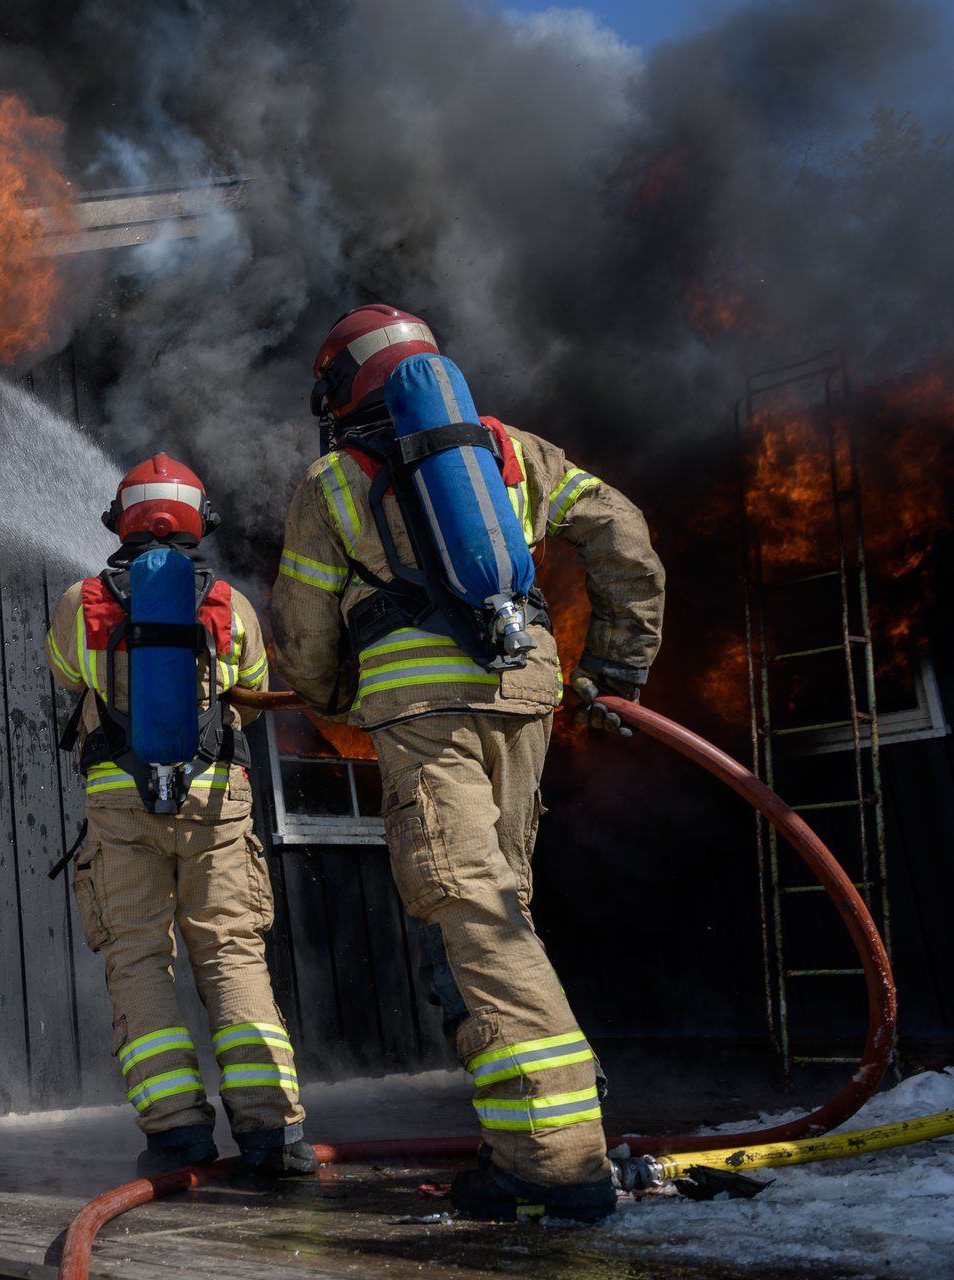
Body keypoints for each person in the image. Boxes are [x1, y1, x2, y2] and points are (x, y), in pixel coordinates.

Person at [270, 305, 666, 1221]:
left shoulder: (333, 483)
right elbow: (625, 537)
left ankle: (559, 1161)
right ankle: (521, 1137)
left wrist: (338, 705)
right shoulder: (512, 450)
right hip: (524, 700)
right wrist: (616, 666)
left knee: (472, 914)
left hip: (424, 721)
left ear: (341, 391)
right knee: (497, 908)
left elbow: (303, 634)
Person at [45, 452, 315, 1179]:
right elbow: (250, 695)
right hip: (216, 804)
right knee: (232, 956)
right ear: (201, 522)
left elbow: (67, 677)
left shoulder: (80, 602)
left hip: (120, 804)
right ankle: (272, 1133)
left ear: (120, 519)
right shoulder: (230, 603)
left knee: (138, 959)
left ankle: (177, 1135)